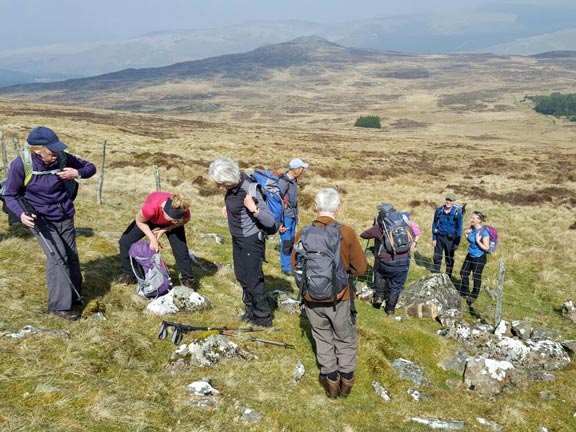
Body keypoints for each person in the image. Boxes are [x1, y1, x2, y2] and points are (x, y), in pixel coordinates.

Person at [3, 126, 96, 320]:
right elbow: (10, 194)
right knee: (58, 257)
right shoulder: (21, 165)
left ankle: (74, 295)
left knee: (71, 255)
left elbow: (90, 168)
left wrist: (76, 172)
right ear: (36, 149)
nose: (56, 155)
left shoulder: (62, 157)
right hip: (40, 219)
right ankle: (59, 306)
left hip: (64, 215)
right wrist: (20, 214)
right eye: (51, 152)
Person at [291, 188, 367, 399]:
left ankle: (330, 380)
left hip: (311, 298)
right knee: (345, 338)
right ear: (338, 209)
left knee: (322, 337)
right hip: (340, 297)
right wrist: (343, 274)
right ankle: (346, 381)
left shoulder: (303, 232)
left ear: (315, 207)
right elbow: (360, 268)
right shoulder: (347, 232)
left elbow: (294, 264)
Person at [209, 157, 277, 327]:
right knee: (241, 276)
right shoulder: (233, 186)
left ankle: (263, 317)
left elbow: (270, 222)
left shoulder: (249, 189)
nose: (218, 187)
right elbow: (235, 201)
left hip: (251, 240)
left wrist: (254, 210)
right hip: (237, 238)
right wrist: (229, 208)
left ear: (230, 180)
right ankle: (250, 311)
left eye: (221, 184)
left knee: (253, 278)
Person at [119, 192, 196, 288]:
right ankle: (129, 274)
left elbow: (183, 221)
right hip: (150, 219)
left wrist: (165, 229)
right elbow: (139, 221)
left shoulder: (183, 211)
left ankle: (188, 279)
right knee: (125, 242)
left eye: (176, 220)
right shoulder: (150, 209)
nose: (174, 221)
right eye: (172, 219)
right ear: (163, 210)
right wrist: (152, 239)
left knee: (180, 248)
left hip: (170, 226)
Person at [361, 203, 416, 316]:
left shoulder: (381, 226)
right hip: (404, 261)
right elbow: (413, 235)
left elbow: (364, 235)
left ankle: (378, 298)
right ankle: (390, 310)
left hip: (386, 261)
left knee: (380, 274)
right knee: (396, 285)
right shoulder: (404, 222)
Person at [277, 158, 308, 274]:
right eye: (302, 168)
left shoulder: (293, 181)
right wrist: (279, 223)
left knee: (291, 240)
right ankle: (285, 267)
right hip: (285, 217)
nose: (303, 171)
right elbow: (277, 202)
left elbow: (294, 200)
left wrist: (297, 213)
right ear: (296, 169)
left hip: (292, 215)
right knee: (286, 242)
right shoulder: (283, 182)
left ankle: (291, 262)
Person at [459, 211, 490, 308]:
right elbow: (470, 240)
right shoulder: (472, 228)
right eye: (471, 218)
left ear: (479, 220)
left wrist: (477, 240)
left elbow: (486, 248)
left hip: (479, 257)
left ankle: (474, 295)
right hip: (470, 255)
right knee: (463, 272)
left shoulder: (484, 232)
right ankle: (465, 290)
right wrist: (466, 234)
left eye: (473, 218)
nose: (471, 220)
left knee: (476, 276)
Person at [431, 192, 463, 277]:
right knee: (437, 256)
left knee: (449, 258)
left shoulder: (457, 213)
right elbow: (434, 223)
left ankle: (448, 276)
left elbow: (459, 228)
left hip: (450, 239)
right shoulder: (439, 210)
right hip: (439, 237)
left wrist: (456, 243)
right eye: (447, 199)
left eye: (450, 200)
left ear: (454, 202)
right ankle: (436, 275)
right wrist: (434, 238)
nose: (448, 202)